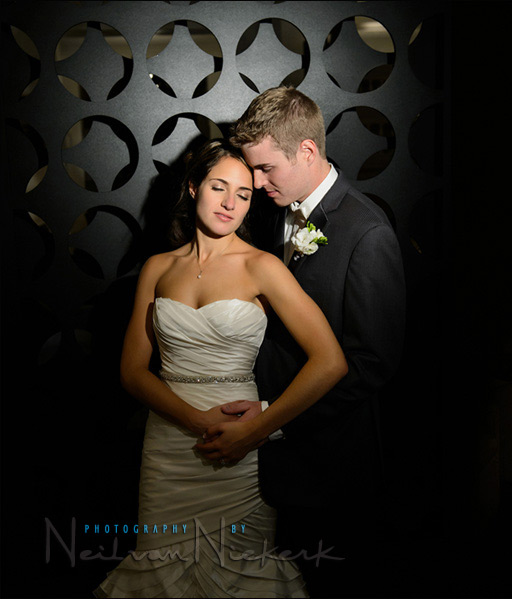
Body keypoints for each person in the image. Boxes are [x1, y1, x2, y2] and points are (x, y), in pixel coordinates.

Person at [95, 139, 347, 597]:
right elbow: (132, 372)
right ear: (193, 188)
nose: (231, 203)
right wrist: (193, 419)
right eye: (218, 187)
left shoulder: (263, 266)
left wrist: (256, 430)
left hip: (238, 449)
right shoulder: (156, 268)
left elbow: (331, 362)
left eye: (245, 194)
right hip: (168, 452)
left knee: (239, 579)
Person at [200, 86, 405, 596]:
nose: (256, 181)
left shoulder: (367, 233)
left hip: (330, 464)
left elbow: (372, 363)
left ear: (308, 151)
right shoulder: (273, 211)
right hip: (268, 463)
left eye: (267, 168)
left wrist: (272, 418)